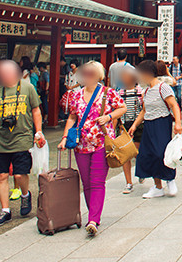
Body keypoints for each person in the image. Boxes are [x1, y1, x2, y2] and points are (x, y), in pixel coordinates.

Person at [57, 60, 126, 236]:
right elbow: (72, 118)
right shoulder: (76, 95)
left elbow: (122, 108)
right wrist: (65, 137)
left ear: (98, 76)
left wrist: (109, 116)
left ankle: (93, 219)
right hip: (81, 145)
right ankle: (94, 214)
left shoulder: (107, 93)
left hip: (101, 143)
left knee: (96, 181)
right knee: (86, 182)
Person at [0, 60, 44, 226]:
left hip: (22, 137)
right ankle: (5, 210)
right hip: (0, 139)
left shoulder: (27, 88)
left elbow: (36, 110)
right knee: (1, 175)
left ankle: (25, 195)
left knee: (19, 173)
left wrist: (38, 131)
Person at [130, 60, 182, 197]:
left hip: (161, 123)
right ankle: (157, 186)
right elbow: (144, 111)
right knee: (148, 154)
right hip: (148, 125)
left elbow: (174, 105)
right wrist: (135, 125)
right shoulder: (146, 91)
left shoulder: (163, 87)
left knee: (161, 153)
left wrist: (178, 123)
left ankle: (170, 179)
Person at [119, 67, 143, 194]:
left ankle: (141, 171)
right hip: (124, 125)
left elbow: (144, 109)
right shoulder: (119, 92)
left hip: (138, 124)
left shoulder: (140, 91)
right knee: (125, 154)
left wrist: (135, 124)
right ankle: (128, 182)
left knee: (135, 152)